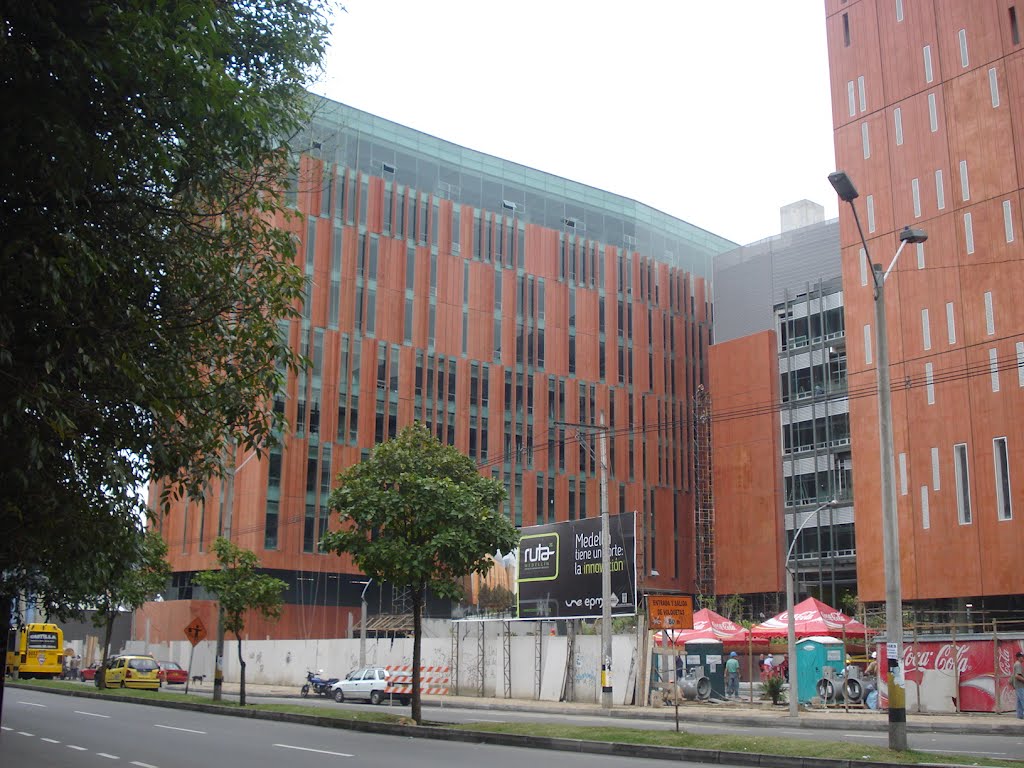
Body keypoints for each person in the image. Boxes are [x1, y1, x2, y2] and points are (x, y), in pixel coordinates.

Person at [1014, 651, 1024, 720]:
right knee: (1023, 700)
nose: (1023, 658)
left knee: (1019, 702)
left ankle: (1019, 715)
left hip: (1018, 686)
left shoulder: (1017, 664)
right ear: (1019, 657)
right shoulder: (1018, 665)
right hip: (1020, 685)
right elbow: (1017, 676)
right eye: (1022, 657)